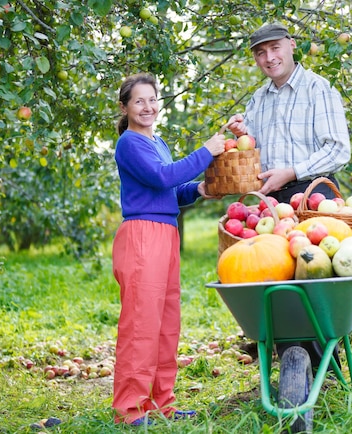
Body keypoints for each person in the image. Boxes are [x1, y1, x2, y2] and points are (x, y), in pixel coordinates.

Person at [225, 23, 352, 371]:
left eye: (275, 48)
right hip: (271, 201)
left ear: (292, 46)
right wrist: (243, 135)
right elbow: (255, 155)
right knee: (274, 282)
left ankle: (319, 361)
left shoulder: (318, 90)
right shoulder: (258, 99)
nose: (269, 58)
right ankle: (302, 363)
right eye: (261, 53)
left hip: (313, 196)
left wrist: (293, 172)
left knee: (313, 280)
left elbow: (339, 149)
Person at [111, 72, 225, 425]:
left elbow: (169, 190)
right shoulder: (129, 143)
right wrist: (206, 151)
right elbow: (162, 177)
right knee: (141, 323)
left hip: (166, 232)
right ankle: (129, 409)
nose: (147, 107)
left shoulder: (157, 142)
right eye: (139, 101)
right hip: (142, 235)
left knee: (165, 323)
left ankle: (161, 402)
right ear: (125, 107)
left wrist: (197, 191)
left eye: (152, 99)